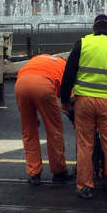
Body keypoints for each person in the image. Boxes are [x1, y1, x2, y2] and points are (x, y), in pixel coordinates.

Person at [60, 14, 107, 201]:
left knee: (85, 145)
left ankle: (85, 186)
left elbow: (68, 74)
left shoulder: (83, 43)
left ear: (93, 29)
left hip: (84, 102)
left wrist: (64, 100)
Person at [15, 54, 72, 186]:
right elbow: (69, 98)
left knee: (29, 131)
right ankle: (59, 172)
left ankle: (33, 173)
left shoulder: (40, 58)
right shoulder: (65, 66)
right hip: (43, 85)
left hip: (21, 84)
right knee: (53, 130)